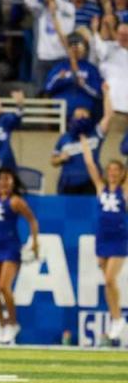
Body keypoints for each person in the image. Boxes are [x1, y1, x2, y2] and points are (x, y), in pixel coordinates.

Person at [0, 160, 39, 345]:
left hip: (11, 248)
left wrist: (35, 242)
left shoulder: (16, 201)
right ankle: (2, 324)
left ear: (13, 182)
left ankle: (13, 322)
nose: (4, 182)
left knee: (4, 287)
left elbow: (32, 220)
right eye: (2, 179)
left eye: (8, 179)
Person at [80, 122, 128, 344]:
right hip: (102, 238)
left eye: (116, 172)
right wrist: (85, 145)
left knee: (110, 279)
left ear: (121, 174)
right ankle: (115, 318)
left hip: (118, 239)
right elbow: (90, 164)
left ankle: (118, 319)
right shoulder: (100, 187)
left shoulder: (124, 191)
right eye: (110, 171)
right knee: (107, 282)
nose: (112, 174)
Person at [52, 97, 113, 195]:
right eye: (77, 116)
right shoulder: (64, 138)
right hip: (68, 182)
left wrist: (106, 93)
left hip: (90, 181)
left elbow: (108, 115)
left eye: (83, 116)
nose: (80, 118)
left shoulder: (96, 133)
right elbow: (53, 161)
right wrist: (60, 158)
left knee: (91, 208)